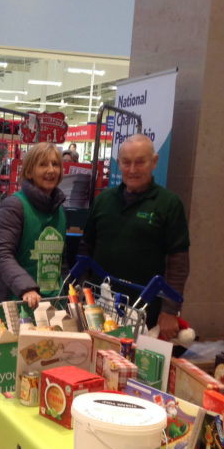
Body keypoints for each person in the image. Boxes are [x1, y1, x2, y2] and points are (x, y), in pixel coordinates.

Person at [79, 133, 190, 340]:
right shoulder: (103, 201)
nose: (132, 170)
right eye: (126, 162)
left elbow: (178, 264)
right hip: (100, 308)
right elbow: (86, 250)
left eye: (140, 162)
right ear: (118, 163)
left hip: (146, 311)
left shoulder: (169, 204)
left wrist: (170, 310)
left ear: (154, 162)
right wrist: (84, 293)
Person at [0, 142, 66, 310]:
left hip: (51, 303)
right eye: (43, 164)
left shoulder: (60, 210)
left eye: (55, 164)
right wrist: (26, 288)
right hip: (14, 300)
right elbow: (2, 254)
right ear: (29, 171)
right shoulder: (13, 206)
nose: (51, 170)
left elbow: (60, 260)